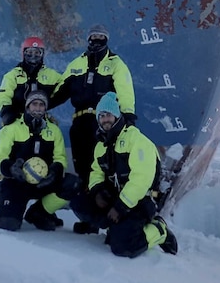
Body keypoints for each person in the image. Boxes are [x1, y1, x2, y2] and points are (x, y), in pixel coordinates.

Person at [70, 92, 178, 257]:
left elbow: (141, 180)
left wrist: (120, 207)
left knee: (123, 247)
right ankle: (113, 228)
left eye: (109, 115)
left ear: (117, 116)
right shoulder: (101, 145)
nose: (105, 119)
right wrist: (98, 191)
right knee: (79, 202)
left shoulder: (137, 141)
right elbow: (96, 171)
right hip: (115, 198)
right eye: (102, 116)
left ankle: (159, 230)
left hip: (140, 201)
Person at [0, 89, 80, 230]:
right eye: (34, 104)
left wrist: (55, 171)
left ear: (46, 108)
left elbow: (60, 158)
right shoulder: (11, 129)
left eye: (41, 105)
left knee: (73, 183)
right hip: (17, 182)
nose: (38, 108)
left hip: (42, 182)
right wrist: (11, 168)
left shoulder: (54, 130)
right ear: (27, 106)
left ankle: (38, 213)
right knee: (7, 224)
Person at [51, 24, 136, 185]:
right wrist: (40, 105)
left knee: (102, 161)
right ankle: (86, 193)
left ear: (106, 39)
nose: (97, 40)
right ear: (88, 39)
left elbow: (125, 89)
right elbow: (61, 90)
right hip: (79, 121)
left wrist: (128, 115)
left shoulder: (115, 63)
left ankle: (107, 193)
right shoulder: (77, 63)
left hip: (102, 122)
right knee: (81, 163)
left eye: (101, 36)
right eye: (94, 36)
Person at [0, 36, 62, 125]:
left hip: (40, 118)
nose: (33, 56)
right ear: (23, 53)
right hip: (17, 118)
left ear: (42, 54)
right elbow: (4, 95)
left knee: (54, 130)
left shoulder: (51, 75)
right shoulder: (13, 75)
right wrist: (6, 112)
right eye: (29, 52)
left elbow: (65, 85)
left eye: (37, 53)